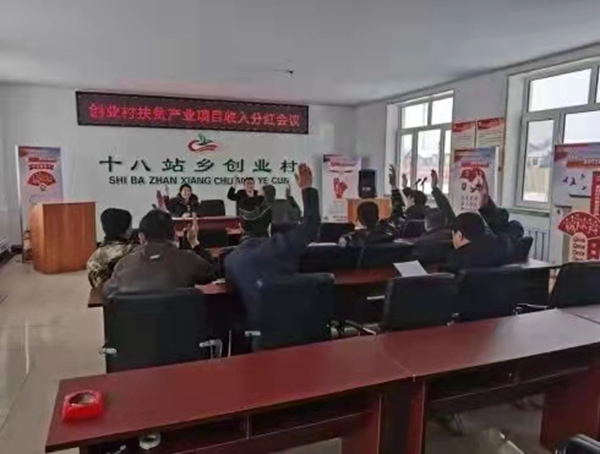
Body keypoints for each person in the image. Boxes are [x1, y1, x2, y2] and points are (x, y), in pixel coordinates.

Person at [224, 163, 320, 327]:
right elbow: (311, 225)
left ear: (240, 227)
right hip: (297, 326)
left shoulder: (230, 260)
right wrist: (307, 189)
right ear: (269, 223)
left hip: (257, 332)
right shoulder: (282, 245)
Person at [103, 210, 216, 297]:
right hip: (180, 320)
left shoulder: (124, 264)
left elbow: (107, 293)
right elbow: (212, 272)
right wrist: (194, 243)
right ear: (174, 235)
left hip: (137, 321)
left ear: (141, 237)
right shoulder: (188, 259)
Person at [429, 169, 512, 271]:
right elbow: (498, 228)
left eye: (453, 235)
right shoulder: (502, 250)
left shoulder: (457, 260)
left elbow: (450, 217)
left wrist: (435, 190)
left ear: (459, 236)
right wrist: (484, 197)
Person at [87, 208, 136, 288]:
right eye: (130, 226)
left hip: (102, 293)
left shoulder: (94, 257)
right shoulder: (133, 251)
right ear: (127, 230)